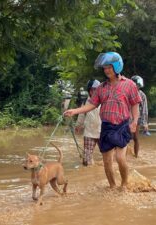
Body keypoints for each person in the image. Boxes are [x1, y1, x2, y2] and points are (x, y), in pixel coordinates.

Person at [64, 52, 141, 189]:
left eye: (109, 67)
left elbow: (135, 104)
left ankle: (124, 185)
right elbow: (91, 105)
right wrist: (74, 111)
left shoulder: (129, 85)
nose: (106, 71)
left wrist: (135, 121)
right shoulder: (101, 88)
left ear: (117, 67)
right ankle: (112, 186)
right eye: (104, 68)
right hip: (105, 127)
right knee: (106, 162)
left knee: (120, 158)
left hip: (122, 126)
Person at [75, 79, 101, 166]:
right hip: (89, 133)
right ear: (90, 90)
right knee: (86, 160)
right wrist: (78, 125)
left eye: (98, 89)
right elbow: (81, 114)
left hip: (103, 132)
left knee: (107, 155)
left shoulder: (104, 100)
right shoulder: (85, 102)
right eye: (94, 89)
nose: (96, 91)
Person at [131, 75, 150, 157]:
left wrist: (144, 123)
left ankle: (136, 156)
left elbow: (144, 110)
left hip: (137, 119)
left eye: (138, 85)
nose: (137, 87)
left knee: (135, 137)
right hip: (126, 118)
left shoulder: (142, 95)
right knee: (124, 138)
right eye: (135, 85)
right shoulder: (127, 93)